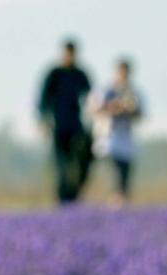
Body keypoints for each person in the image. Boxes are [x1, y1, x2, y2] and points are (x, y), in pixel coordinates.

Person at [39, 39, 92, 204]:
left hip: (77, 126)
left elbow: (91, 98)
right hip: (59, 126)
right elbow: (43, 100)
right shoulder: (54, 74)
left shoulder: (81, 74)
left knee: (80, 164)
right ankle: (64, 200)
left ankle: (74, 195)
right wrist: (43, 120)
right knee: (61, 166)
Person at [92, 59, 144, 207]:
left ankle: (120, 199)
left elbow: (140, 113)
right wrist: (113, 107)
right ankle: (115, 198)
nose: (123, 75)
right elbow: (94, 108)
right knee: (115, 170)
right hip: (109, 136)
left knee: (125, 171)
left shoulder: (134, 92)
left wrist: (129, 110)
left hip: (126, 137)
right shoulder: (106, 90)